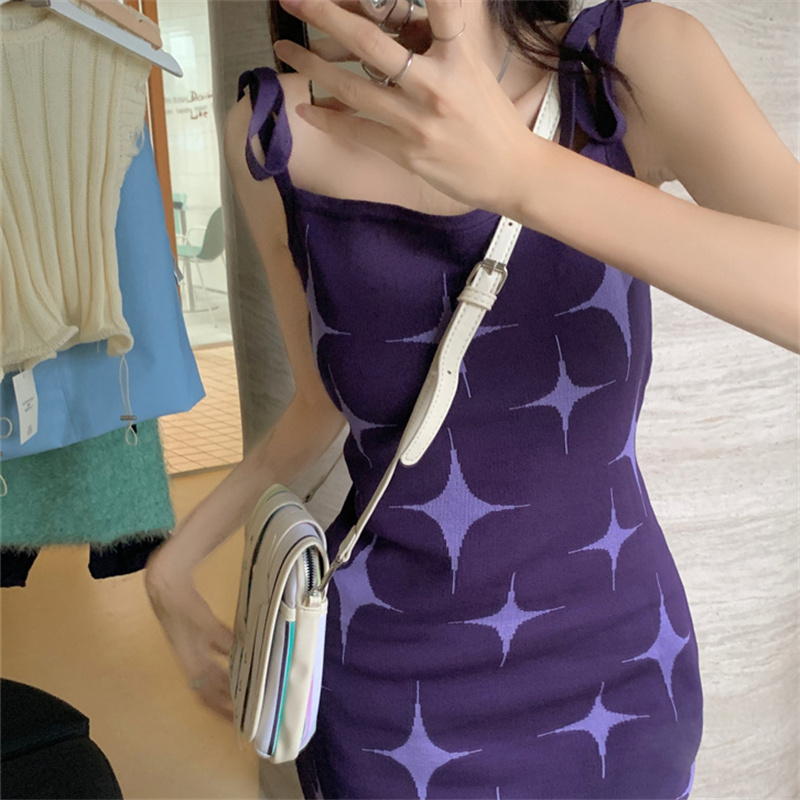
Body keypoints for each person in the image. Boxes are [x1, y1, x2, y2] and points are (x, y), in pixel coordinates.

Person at [145, 0, 800, 797]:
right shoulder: (278, 133)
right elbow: (321, 403)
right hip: (389, 703)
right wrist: (179, 556)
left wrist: (522, 175)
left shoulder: (621, 70)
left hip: (616, 676)